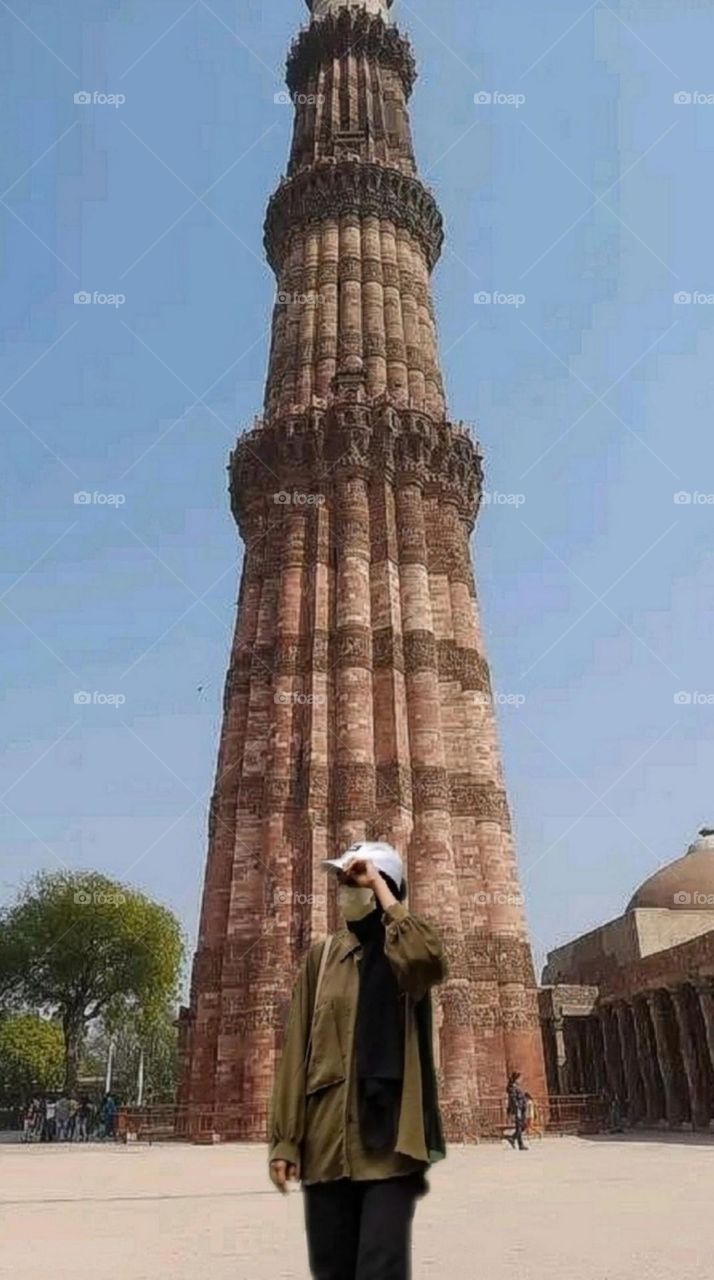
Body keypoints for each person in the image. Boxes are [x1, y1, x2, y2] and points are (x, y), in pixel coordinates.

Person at [269, 841, 446, 1280]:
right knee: (332, 1270)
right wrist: (286, 1140)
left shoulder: (404, 956)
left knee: (379, 1267)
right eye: (342, 882)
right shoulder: (322, 959)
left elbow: (429, 958)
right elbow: (296, 1055)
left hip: (388, 1147)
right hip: (327, 1144)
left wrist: (387, 899)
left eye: (355, 881)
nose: (345, 891)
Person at [505, 1071, 528, 1151]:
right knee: (520, 1127)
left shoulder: (517, 1087)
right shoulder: (513, 1088)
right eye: (520, 1078)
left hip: (521, 1109)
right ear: (516, 1079)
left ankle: (514, 1139)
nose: (521, 1080)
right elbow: (514, 1100)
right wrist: (517, 1108)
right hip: (518, 1109)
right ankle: (518, 1142)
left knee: (522, 1126)